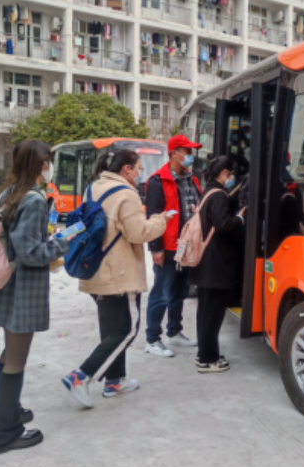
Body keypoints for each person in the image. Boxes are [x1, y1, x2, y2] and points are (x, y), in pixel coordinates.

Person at [0, 139, 72, 454]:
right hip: (21, 289)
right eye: (48, 160)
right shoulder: (32, 200)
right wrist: (65, 241)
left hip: (2, 284)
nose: (50, 166)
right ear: (38, 164)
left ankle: (1, 412)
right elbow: (32, 253)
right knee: (16, 359)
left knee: (9, 354)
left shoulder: (5, 194)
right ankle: (6, 432)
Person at [62, 149, 169, 407]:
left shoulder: (93, 188)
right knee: (127, 329)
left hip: (94, 269)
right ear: (126, 170)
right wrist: (160, 220)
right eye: (138, 168)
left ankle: (114, 381)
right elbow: (137, 232)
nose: (139, 173)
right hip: (119, 273)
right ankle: (81, 376)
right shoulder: (127, 194)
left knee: (110, 328)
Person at [143, 135, 203, 357]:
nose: (190, 156)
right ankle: (152, 339)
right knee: (161, 293)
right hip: (167, 246)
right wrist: (155, 248)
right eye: (187, 152)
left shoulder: (192, 180)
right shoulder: (157, 181)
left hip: (187, 246)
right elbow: (153, 217)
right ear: (174, 153)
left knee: (180, 291)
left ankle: (174, 331)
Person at [189, 156, 245, 373]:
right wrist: (239, 218)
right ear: (225, 174)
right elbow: (223, 225)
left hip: (204, 262)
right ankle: (207, 360)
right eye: (231, 174)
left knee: (205, 312)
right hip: (216, 264)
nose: (232, 179)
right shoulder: (220, 195)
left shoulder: (208, 192)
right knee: (213, 314)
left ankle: (204, 353)